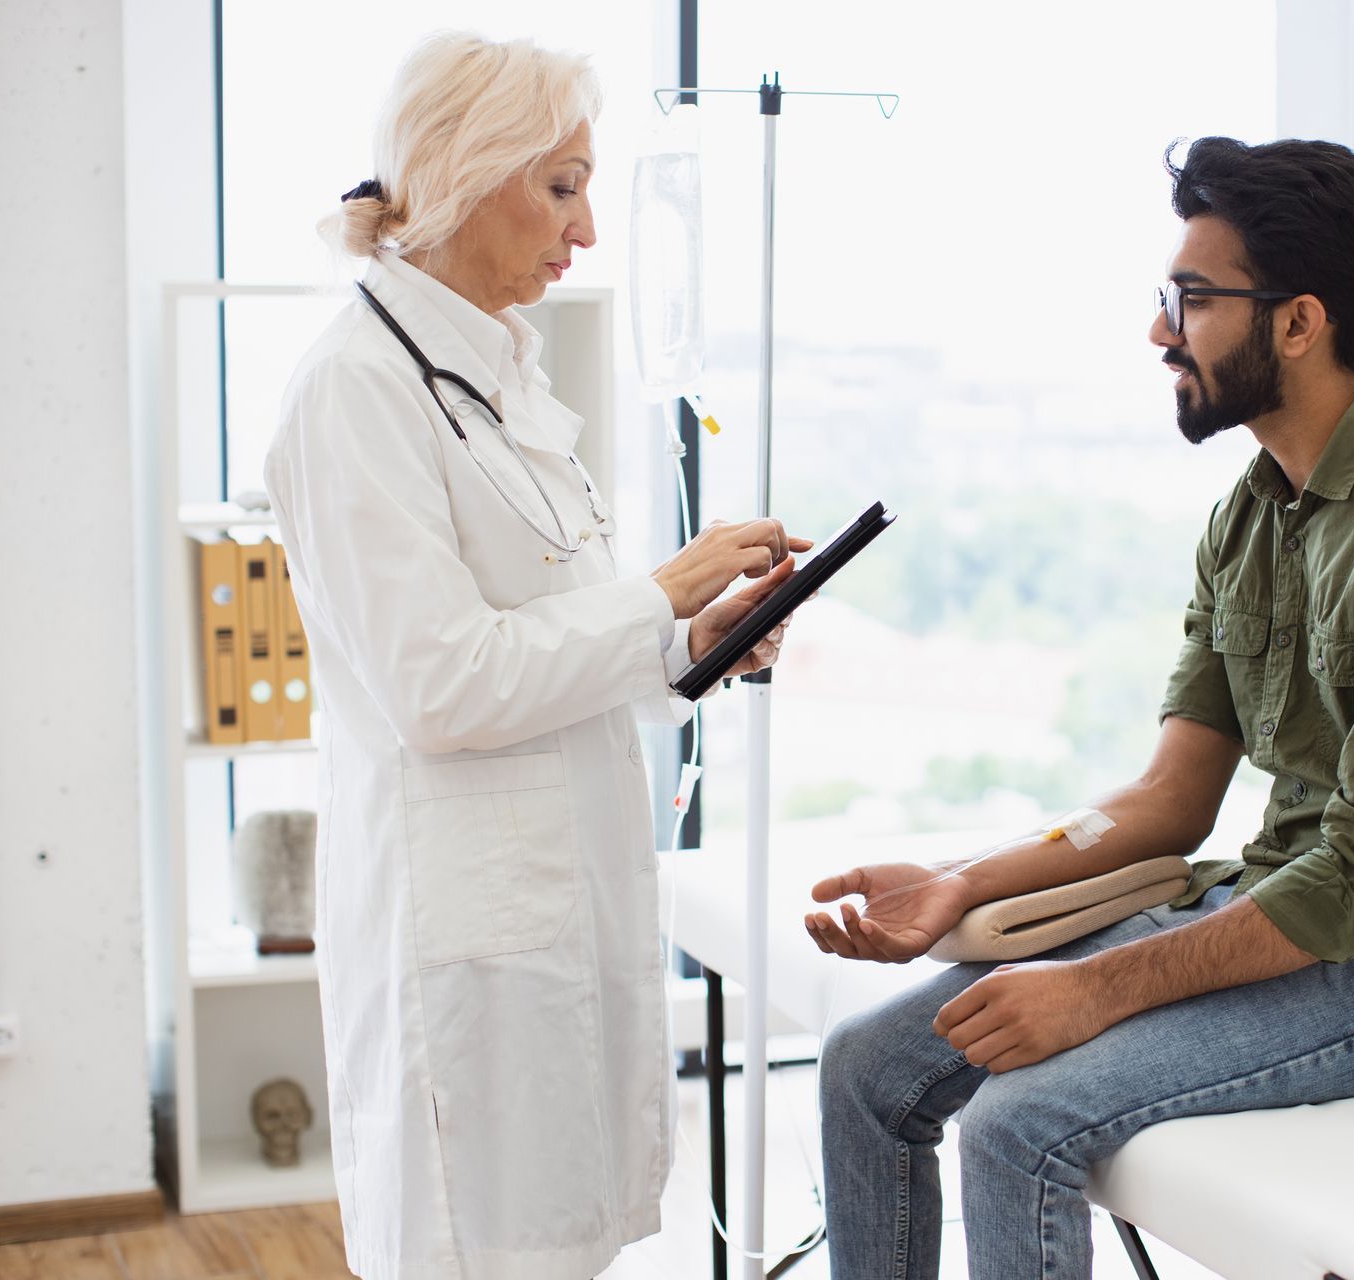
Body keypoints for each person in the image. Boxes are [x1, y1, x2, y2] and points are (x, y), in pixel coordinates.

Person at [804, 136, 1354, 1278]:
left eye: (1193, 297)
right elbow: (1172, 798)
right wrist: (963, 882)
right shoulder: (1251, 512)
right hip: (1286, 909)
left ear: (1298, 322)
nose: (1161, 329)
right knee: (861, 1066)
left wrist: (1093, 987)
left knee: (1017, 1121)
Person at [264, 33, 809, 1280]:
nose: (589, 230)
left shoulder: (497, 377)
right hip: (467, 933)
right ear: (465, 173)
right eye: (561, 186)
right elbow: (442, 685)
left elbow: (548, 644)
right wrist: (659, 588)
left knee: (560, 1249)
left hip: (558, 917)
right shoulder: (355, 390)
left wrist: (690, 646)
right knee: (482, 1250)